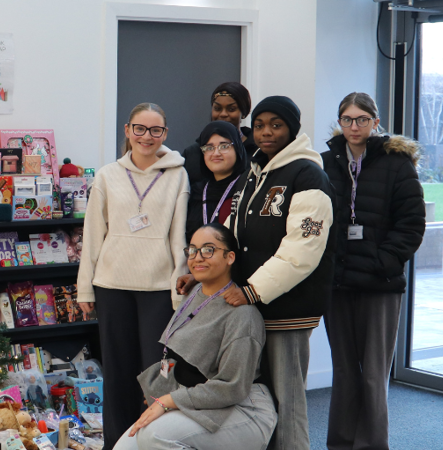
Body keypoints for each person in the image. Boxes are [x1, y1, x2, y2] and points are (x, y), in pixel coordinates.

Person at [225, 95, 336, 450]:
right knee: (258, 399)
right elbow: (232, 229)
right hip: (250, 306)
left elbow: (302, 249)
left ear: (292, 129)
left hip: (288, 310)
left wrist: (252, 290)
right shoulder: (254, 173)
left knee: (287, 400)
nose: (266, 133)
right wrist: (202, 268)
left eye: (276, 125)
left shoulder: (308, 175)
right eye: (259, 125)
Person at [76, 102, 190, 449]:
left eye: (156, 130)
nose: (147, 136)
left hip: (157, 288)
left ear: (165, 134)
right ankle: (116, 443)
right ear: (127, 130)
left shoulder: (177, 173)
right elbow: (93, 234)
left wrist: (177, 290)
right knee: (118, 372)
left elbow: (178, 237)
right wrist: (85, 290)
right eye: (139, 129)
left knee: (156, 375)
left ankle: (153, 443)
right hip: (112, 286)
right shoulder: (108, 175)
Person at [321, 92, 425, 450]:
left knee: (374, 374)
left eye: (361, 119)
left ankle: (371, 445)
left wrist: (385, 262)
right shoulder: (325, 163)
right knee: (345, 372)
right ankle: (340, 442)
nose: (353, 126)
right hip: (338, 283)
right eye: (347, 119)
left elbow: (411, 224)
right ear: (339, 122)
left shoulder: (397, 164)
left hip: (380, 284)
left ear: (375, 123)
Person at [114, 224, 276, 450]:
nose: (198, 257)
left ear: (230, 257)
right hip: (198, 403)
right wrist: (161, 392)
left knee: (155, 437)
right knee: (124, 447)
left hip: (244, 409)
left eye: (208, 250)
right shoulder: (193, 294)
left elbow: (233, 388)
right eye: (192, 250)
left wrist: (168, 401)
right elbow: (174, 356)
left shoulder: (243, 315)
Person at [185, 121, 249, 241]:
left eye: (224, 146)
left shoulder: (248, 187)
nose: (216, 153)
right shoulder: (195, 191)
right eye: (209, 148)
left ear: (237, 149)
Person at [182, 82, 257, 184]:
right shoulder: (193, 153)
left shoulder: (257, 152)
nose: (223, 114)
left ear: (244, 113)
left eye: (231, 109)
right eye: (217, 108)